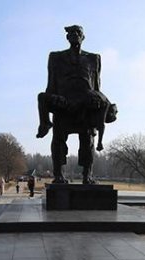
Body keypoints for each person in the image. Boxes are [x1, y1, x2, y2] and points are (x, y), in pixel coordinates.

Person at [36, 25, 117, 184]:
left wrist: (100, 103)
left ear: (83, 37)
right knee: (58, 138)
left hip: (85, 106)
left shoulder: (94, 59)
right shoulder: (56, 57)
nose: (74, 35)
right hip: (64, 104)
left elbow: (96, 87)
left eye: (77, 32)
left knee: (87, 141)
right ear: (67, 38)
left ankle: (88, 175)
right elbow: (51, 83)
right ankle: (58, 173)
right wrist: (52, 99)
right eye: (71, 33)